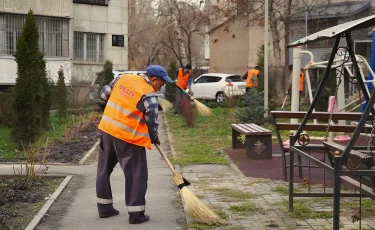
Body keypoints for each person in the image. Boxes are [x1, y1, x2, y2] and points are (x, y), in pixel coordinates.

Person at [96, 65, 172, 224]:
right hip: (128, 138)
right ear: (153, 79)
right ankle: (136, 214)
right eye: (161, 84)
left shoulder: (123, 78)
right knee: (137, 174)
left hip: (107, 131)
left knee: (103, 169)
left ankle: (104, 208)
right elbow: (152, 119)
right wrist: (153, 136)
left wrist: (109, 110)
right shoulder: (149, 95)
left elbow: (103, 95)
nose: (161, 87)